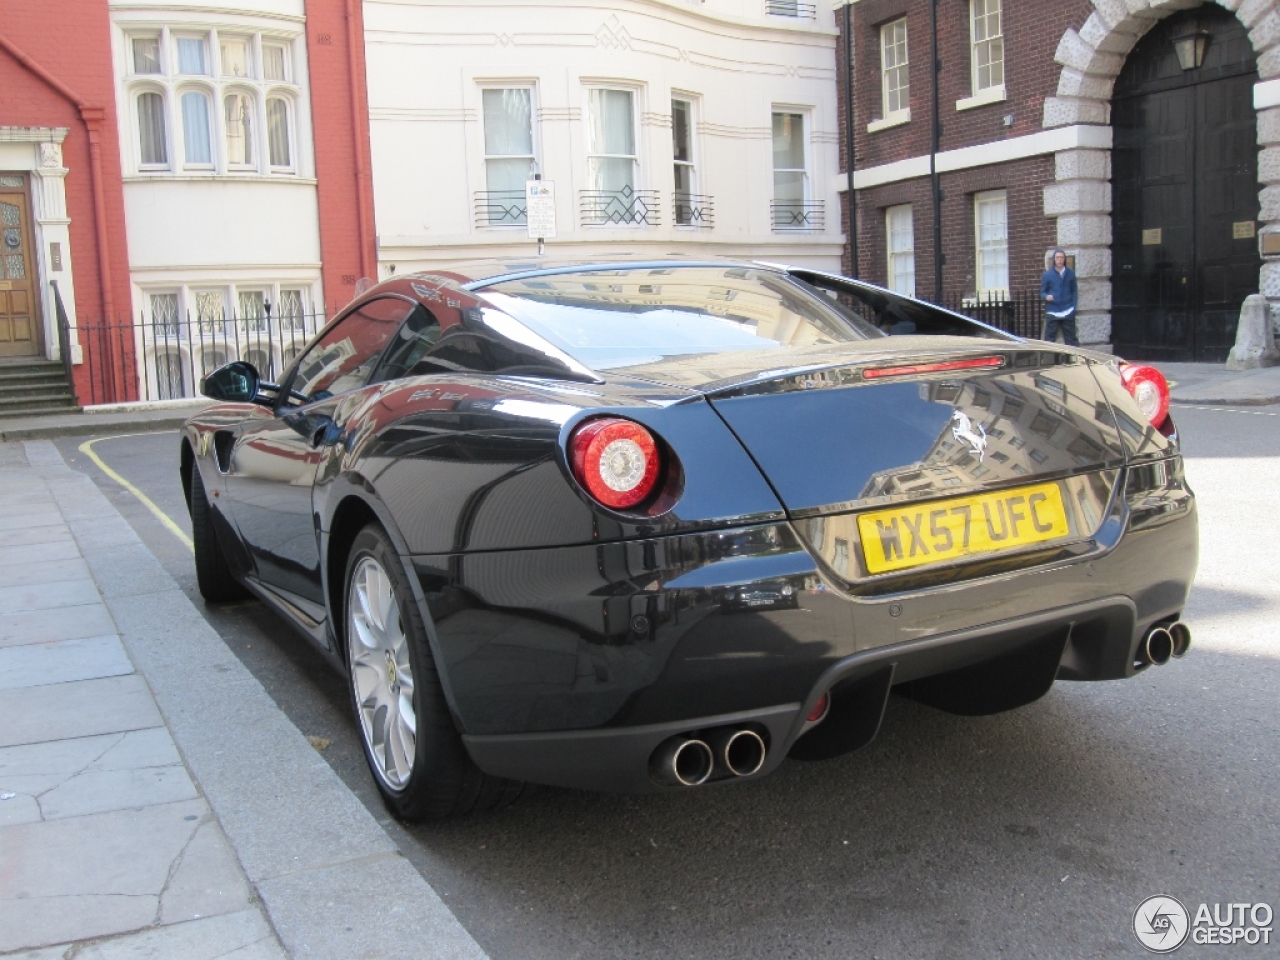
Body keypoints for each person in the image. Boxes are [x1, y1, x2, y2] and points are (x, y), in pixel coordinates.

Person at [1040, 248, 1079, 346]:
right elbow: (1042, 292)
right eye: (1057, 258)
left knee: (1071, 339)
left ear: (1064, 259)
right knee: (1049, 340)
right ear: (1054, 259)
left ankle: (1074, 359)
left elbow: (1074, 291)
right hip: (1053, 311)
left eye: (1061, 257)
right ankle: (1048, 359)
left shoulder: (1070, 274)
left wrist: (1073, 307)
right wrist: (1046, 296)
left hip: (1068, 310)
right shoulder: (1047, 275)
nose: (1059, 260)